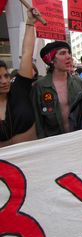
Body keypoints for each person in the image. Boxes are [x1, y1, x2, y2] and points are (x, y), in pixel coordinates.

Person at [0, 8, 39, 147]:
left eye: (6, 75)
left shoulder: (19, 87)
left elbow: (27, 52)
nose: (4, 81)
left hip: (35, 160)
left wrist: (30, 23)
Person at [32, 41, 82, 138]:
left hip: (79, 139)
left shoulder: (79, 82)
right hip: (53, 143)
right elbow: (38, 122)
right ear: (51, 60)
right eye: (62, 53)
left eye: (68, 52)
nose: (68, 56)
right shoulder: (40, 87)